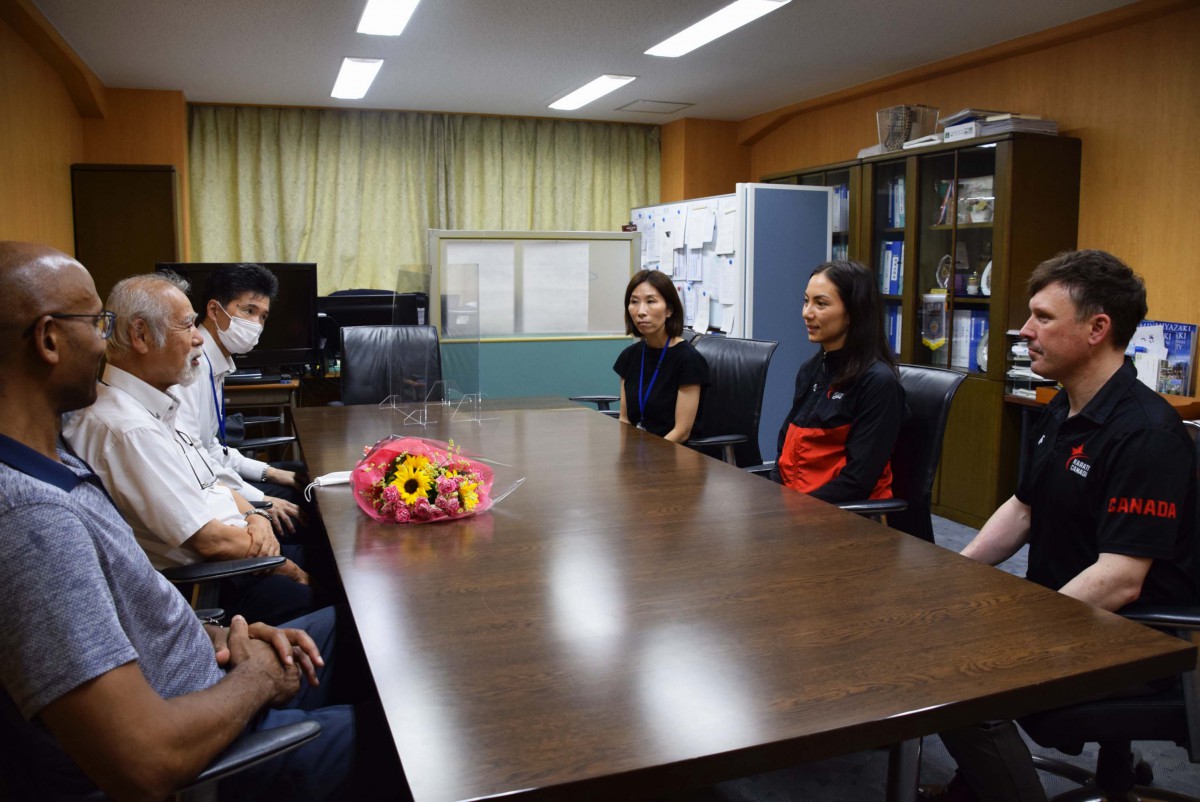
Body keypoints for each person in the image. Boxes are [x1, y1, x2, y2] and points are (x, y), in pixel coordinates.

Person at [0, 242, 380, 800]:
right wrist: (256, 677)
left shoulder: (59, 465)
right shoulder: (32, 520)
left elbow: (122, 617)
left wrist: (220, 633)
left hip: (212, 667)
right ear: (49, 339)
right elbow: (143, 760)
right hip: (213, 753)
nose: (106, 339)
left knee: (367, 638)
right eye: (97, 322)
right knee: (405, 744)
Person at [930, 249, 1198, 802]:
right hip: (1068, 610)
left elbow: (1121, 579)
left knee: (956, 680)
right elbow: (1023, 508)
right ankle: (979, 782)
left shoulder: (1146, 435)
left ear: (1098, 328)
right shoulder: (1067, 404)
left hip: (1134, 637)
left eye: (1043, 318)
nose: (1025, 331)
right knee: (936, 635)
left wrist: (1019, 632)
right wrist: (949, 577)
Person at [63, 271, 318, 625]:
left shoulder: (154, 405)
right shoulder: (129, 429)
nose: (199, 337)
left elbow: (212, 483)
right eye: (187, 326)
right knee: (333, 594)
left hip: (239, 547)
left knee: (326, 555)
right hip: (217, 579)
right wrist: (288, 569)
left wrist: (256, 516)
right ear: (140, 335)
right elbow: (209, 542)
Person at [174, 263, 308, 537]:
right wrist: (259, 500)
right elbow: (196, 461)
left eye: (263, 317)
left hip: (215, 475)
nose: (256, 325)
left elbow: (212, 447)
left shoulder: (216, 363)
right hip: (205, 492)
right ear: (214, 310)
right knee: (305, 507)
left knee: (301, 477)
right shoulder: (191, 367)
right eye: (248, 311)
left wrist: (270, 472)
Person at [769, 260, 904, 503]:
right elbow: (786, 449)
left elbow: (857, 481)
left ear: (853, 313)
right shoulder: (810, 370)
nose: (807, 313)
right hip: (795, 506)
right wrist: (773, 498)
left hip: (841, 516)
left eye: (820, 304)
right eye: (806, 301)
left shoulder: (878, 383)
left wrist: (794, 510)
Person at [613, 269, 709, 442]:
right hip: (639, 455)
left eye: (651, 301)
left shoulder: (688, 360)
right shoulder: (629, 356)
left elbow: (682, 432)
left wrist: (648, 459)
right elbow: (625, 420)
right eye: (634, 302)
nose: (641, 311)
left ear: (669, 310)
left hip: (676, 457)